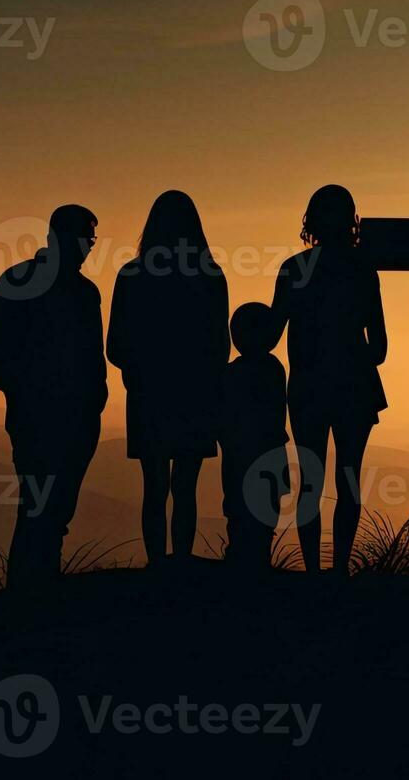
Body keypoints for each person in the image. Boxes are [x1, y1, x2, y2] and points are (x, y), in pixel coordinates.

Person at [0, 204, 108, 589]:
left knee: (55, 507)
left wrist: (95, 397)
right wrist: (25, 391)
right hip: (40, 417)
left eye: (92, 240)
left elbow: (93, 354)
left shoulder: (84, 292)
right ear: (61, 237)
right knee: (41, 506)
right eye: (86, 238)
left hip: (77, 417)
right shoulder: (22, 282)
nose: (89, 248)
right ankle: (28, 589)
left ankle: (37, 585)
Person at [106, 191, 229, 566]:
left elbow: (115, 347)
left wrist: (140, 372)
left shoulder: (131, 275)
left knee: (154, 486)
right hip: (196, 393)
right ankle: (181, 562)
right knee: (185, 486)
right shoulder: (209, 276)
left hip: (148, 393)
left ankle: (157, 564)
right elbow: (220, 346)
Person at [271, 184, 388, 574]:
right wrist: (350, 354)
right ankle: (340, 570)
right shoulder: (362, 271)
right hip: (356, 386)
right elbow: (380, 348)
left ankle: (312, 573)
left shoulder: (294, 270)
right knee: (349, 479)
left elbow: (270, 335)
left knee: (310, 480)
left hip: (307, 388)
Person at [221, 302, 291, 568]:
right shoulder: (274, 369)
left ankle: (240, 558)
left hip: (239, 454)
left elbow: (224, 418)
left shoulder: (230, 373)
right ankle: (258, 560)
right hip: (270, 451)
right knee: (264, 513)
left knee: (237, 509)